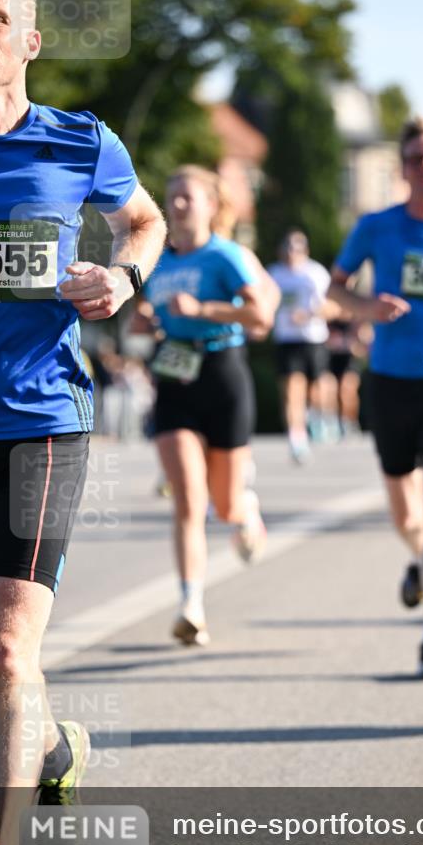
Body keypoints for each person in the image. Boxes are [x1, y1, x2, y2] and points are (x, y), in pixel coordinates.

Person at [0, 0, 166, 845]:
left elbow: (145, 219)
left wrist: (125, 277)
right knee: (1, 662)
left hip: (39, 419)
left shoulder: (79, 140)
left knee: (7, 647)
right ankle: (52, 747)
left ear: (29, 40)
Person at [328, 116, 423, 679]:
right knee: (406, 512)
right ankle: (421, 559)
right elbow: (334, 288)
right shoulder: (376, 226)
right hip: (391, 380)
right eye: (416, 158)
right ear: (403, 169)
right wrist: (367, 308)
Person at [132, 166, 273, 648]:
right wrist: (145, 321)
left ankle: (246, 510)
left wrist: (205, 310)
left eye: (187, 198)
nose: (177, 205)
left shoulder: (225, 255)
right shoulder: (156, 260)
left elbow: (261, 317)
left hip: (222, 372)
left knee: (225, 503)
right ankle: (190, 605)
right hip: (174, 377)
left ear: (211, 206)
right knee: (189, 500)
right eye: (171, 197)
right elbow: (145, 313)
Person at [268, 230, 338, 462]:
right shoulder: (274, 274)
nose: (291, 252)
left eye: (296, 248)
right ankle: (297, 439)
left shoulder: (315, 273)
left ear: (305, 250)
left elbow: (334, 307)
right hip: (287, 340)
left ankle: (317, 417)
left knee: (317, 390)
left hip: (313, 339)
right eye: (287, 247)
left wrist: (309, 314)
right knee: (291, 390)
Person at [325, 316, 369, 437]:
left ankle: (349, 421)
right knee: (330, 390)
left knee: (348, 390)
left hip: (349, 358)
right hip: (331, 357)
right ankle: (332, 421)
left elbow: (366, 338)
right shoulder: (329, 316)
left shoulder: (356, 317)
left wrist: (358, 345)